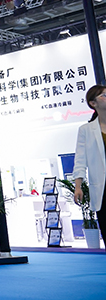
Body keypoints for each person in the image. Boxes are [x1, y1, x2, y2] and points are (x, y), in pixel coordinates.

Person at [73, 85, 106, 247]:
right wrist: (78, 186)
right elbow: (80, 159)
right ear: (93, 103)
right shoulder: (86, 130)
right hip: (103, 189)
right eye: (104, 95)